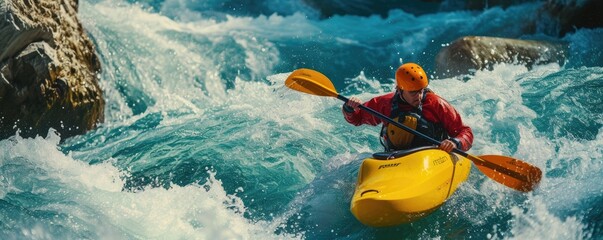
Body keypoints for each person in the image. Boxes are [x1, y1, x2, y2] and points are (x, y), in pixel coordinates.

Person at [342, 63, 473, 153]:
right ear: (399, 89)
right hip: (397, 157)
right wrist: (350, 108)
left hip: (432, 156)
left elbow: (465, 131)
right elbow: (357, 119)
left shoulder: (436, 104)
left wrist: (455, 142)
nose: (419, 96)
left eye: (421, 90)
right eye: (413, 92)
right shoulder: (385, 103)